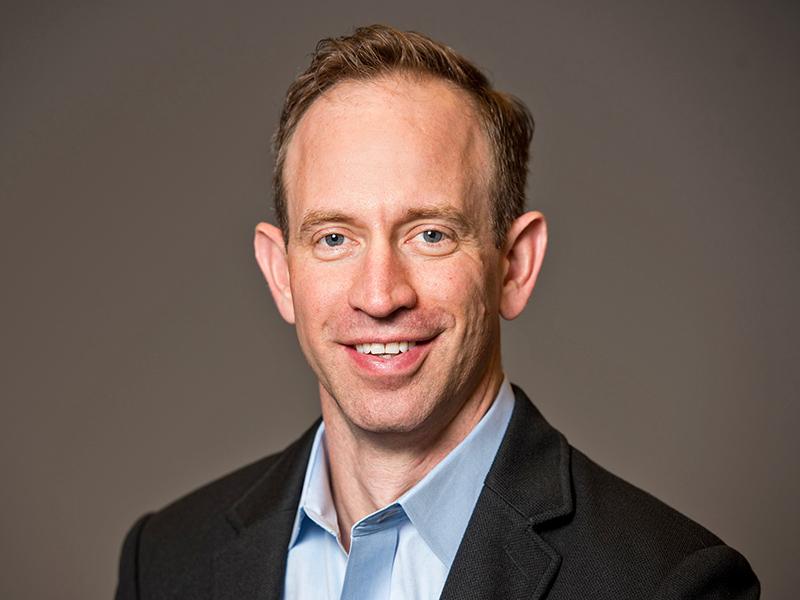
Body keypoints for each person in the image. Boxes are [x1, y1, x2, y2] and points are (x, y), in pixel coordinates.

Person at [115, 24, 759, 600]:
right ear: (281, 274)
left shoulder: (667, 585)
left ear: (514, 265)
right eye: (334, 238)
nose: (380, 294)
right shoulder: (168, 562)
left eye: (430, 234)